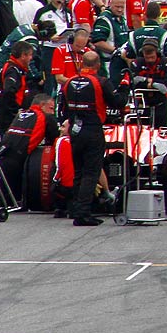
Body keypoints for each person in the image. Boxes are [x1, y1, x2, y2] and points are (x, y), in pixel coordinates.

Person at [60, 51, 120, 225]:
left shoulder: (69, 82)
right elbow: (117, 102)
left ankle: (75, 208)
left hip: (75, 130)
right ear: (98, 65)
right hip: (92, 129)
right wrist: (124, 85)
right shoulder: (100, 82)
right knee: (91, 172)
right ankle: (83, 213)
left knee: (78, 171)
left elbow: (63, 109)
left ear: (81, 64)